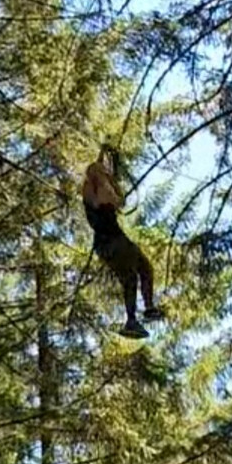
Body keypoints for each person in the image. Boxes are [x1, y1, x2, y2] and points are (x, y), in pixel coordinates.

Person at [81, 144, 163, 338]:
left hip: (114, 240)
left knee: (145, 268)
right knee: (130, 276)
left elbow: (110, 188)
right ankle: (131, 320)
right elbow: (115, 199)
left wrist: (106, 156)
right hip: (109, 242)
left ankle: (148, 308)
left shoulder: (96, 183)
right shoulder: (92, 190)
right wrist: (110, 174)